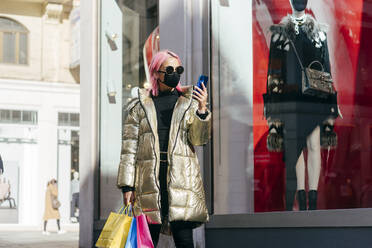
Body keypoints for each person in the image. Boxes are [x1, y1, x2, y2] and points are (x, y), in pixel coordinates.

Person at [117, 50, 211, 248]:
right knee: (146, 240)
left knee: (184, 240)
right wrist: (127, 186)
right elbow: (129, 148)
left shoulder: (188, 102)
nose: (174, 73)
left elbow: (198, 139)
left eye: (178, 69)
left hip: (181, 177)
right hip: (149, 179)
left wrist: (202, 109)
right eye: (169, 69)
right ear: (156, 73)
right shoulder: (139, 106)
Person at [263, 0, 339, 210]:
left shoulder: (318, 33)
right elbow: (274, 71)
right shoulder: (279, 34)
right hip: (291, 99)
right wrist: (274, 107)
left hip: (313, 99)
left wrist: (330, 106)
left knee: (314, 145)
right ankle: (302, 197)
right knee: (296, 148)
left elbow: (326, 70)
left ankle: (312, 199)